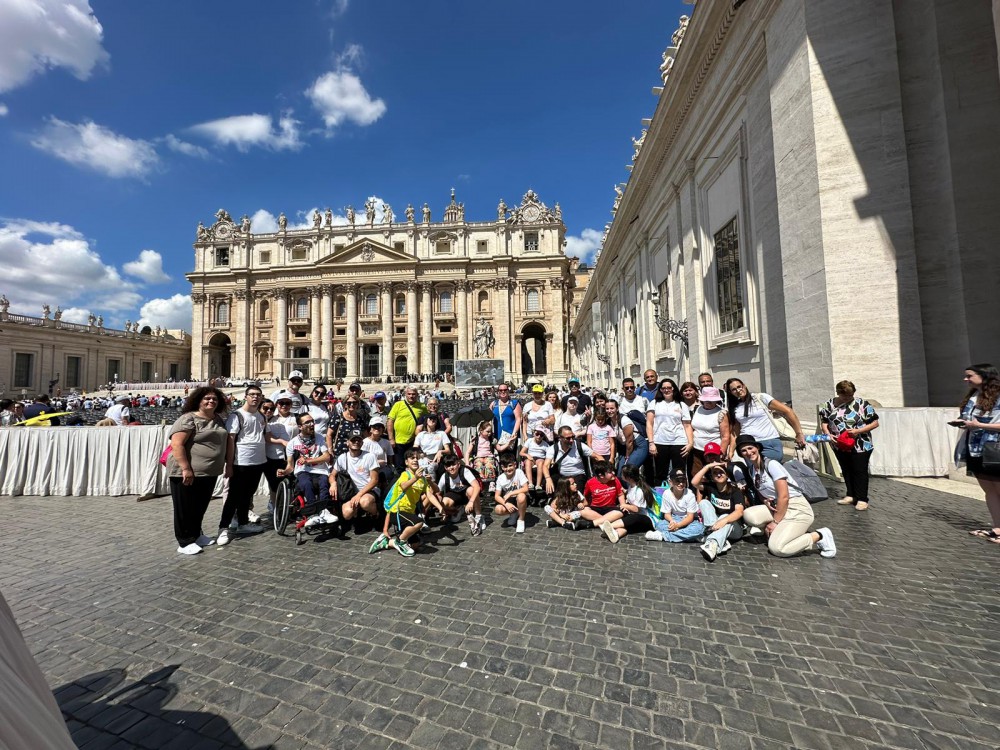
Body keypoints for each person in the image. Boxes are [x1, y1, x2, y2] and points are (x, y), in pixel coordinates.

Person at [735, 434, 837, 558]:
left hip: (797, 508)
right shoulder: (752, 470)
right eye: (743, 451)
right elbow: (762, 493)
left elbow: (784, 496)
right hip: (778, 507)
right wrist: (766, 501)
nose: (748, 452)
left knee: (778, 548)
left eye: (750, 448)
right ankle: (778, 531)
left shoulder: (771, 464)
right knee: (749, 515)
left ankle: (819, 535)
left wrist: (775, 522)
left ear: (757, 447)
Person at [165, 386, 229, 555]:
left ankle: (196, 534)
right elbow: (176, 444)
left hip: (209, 471)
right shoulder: (188, 418)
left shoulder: (218, 419)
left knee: (200, 505)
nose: (211, 401)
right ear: (198, 401)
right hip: (186, 471)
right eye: (207, 398)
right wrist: (186, 468)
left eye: (214, 399)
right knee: (184, 507)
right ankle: (184, 542)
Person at [954, 364, 1000, 543]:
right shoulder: (974, 396)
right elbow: (970, 419)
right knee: (989, 491)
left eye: (969, 376)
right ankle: (997, 528)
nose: (966, 379)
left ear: (985, 376)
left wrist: (979, 425)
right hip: (975, 448)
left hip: (994, 448)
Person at [216, 385, 267, 546]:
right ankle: (223, 527)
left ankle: (243, 523)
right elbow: (231, 441)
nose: (255, 397)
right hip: (241, 461)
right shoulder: (236, 416)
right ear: (246, 396)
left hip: (258, 461)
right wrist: (229, 464)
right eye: (252, 394)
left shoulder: (261, 415)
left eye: (258, 395)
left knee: (248, 494)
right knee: (233, 496)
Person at [819, 380, 880, 511]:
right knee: (846, 469)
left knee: (859, 470)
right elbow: (824, 421)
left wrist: (858, 431)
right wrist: (828, 434)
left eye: (850, 395)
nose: (848, 398)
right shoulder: (829, 404)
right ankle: (851, 495)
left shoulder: (862, 404)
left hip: (861, 444)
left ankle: (862, 498)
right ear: (838, 393)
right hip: (839, 444)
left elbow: (875, 423)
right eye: (845, 396)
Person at [369, 450, 435, 557]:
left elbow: (432, 494)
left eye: (417, 458)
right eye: (412, 458)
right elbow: (391, 506)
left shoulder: (421, 480)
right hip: (398, 513)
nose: (415, 460)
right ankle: (400, 541)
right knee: (418, 523)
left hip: (409, 515)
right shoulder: (404, 476)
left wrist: (441, 508)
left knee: (415, 545)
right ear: (406, 462)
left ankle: (387, 543)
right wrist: (385, 529)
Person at [279, 413, 338, 528]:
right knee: (305, 483)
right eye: (307, 422)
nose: (311, 424)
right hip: (303, 471)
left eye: (312, 421)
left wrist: (308, 461)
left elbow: (327, 457)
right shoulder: (292, 443)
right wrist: (284, 472)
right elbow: (290, 466)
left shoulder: (319, 438)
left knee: (323, 483)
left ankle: (323, 511)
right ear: (300, 426)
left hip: (320, 471)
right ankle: (312, 513)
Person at [725, 378, 806, 461]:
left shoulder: (760, 398)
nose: (738, 390)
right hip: (748, 445)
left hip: (769, 441)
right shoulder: (734, 407)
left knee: (773, 470)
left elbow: (788, 411)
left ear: (744, 386)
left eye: (739, 387)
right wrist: (731, 451)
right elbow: (736, 432)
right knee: (755, 472)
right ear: (731, 393)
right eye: (734, 389)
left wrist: (799, 433)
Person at [692, 458, 746, 562]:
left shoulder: (735, 491)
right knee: (703, 502)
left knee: (724, 516)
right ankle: (718, 539)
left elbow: (739, 512)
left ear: (727, 475)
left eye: (721, 472)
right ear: (711, 476)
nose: (718, 475)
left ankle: (712, 544)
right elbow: (694, 482)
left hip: (734, 528)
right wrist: (707, 467)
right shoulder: (711, 487)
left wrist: (724, 520)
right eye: (715, 473)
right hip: (716, 524)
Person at [646, 378, 693, 484]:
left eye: (669, 388)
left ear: (673, 389)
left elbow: (687, 425)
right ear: (660, 390)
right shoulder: (654, 403)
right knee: (660, 473)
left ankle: (680, 497)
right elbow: (649, 423)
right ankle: (660, 497)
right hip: (660, 442)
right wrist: (651, 443)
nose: (666, 390)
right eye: (663, 388)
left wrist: (690, 443)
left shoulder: (681, 404)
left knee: (679, 472)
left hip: (679, 442)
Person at [331, 429, 381, 526]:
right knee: (346, 513)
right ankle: (357, 513)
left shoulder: (370, 456)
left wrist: (359, 495)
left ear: (362, 442)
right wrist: (333, 483)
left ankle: (375, 513)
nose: (356, 442)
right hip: (351, 491)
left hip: (368, 490)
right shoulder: (342, 457)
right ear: (347, 442)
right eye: (353, 440)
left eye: (359, 440)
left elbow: (374, 480)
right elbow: (332, 474)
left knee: (365, 502)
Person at [596, 464, 656, 543]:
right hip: (635, 516)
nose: (620, 475)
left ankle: (608, 526)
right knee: (628, 526)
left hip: (647, 518)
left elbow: (637, 509)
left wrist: (625, 505)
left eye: (622, 474)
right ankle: (616, 534)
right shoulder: (631, 486)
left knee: (632, 518)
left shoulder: (639, 491)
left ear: (628, 478)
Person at [260, 398, 297, 518]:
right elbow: (268, 437)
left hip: (284, 455)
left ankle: (285, 508)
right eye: (265, 408)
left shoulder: (289, 419)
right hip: (266, 456)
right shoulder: (264, 419)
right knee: (273, 484)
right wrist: (281, 441)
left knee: (285, 483)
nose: (268, 410)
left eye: (271, 408)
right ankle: (276, 508)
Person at [644, 469, 705, 543]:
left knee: (699, 528)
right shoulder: (667, 493)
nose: (681, 484)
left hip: (688, 521)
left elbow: (690, 517)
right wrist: (672, 521)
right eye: (677, 481)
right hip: (674, 519)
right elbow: (667, 514)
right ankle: (692, 537)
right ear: (671, 482)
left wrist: (678, 526)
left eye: (683, 481)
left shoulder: (689, 494)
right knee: (659, 525)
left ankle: (663, 536)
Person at [689, 386, 730, 476]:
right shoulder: (698, 409)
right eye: (706, 399)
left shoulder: (721, 413)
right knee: (697, 476)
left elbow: (725, 436)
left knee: (715, 476)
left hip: (714, 452)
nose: (708, 401)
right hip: (697, 450)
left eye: (711, 399)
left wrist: (721, 454)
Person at [543, 425, 594, 495]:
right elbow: (545, 465)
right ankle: (551, 498)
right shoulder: (553, 448)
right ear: (560, 438)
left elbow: (597, 457)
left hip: (578, 475)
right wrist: (548, 478)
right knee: (547, 482)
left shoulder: (579, 445)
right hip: (563, 476)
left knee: (577, 495)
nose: (571, 440)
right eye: (568, 438)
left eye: (573, 437)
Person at [437, 454, 482, 533]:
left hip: (467, 495)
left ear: (458, 464)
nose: (451, 468)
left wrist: (471, 502)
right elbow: (438, 493)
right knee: (443, 503)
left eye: (453, 464)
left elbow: (477, 487)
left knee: (472, 490)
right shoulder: (444, 476)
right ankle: (457, 510)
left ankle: (479, 516)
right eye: (448, 466)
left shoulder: (465, 471)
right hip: (455, 496)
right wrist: (441, 506)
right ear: (445, 468)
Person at [387, 386, 427, 469]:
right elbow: (390, 421)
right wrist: (391, 438)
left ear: (417, 395)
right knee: (399, 465)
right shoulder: (398, 404)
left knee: (413, 465)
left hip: (413, 442)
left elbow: (427, 420)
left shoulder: (422, 406)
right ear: (405, 394)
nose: (411, 396)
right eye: (409, 394)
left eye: (413, 394)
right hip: (398, 441)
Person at [579, 461, 625, 528]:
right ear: (601, 475)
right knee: (583, 511)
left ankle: (599, 522)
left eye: (613, 471)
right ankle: (608, 522)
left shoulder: (615, 480)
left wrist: (623, 505)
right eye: (610, 472)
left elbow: (620, 494)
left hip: (611, 509)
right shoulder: (590, 482)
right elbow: (586, 497)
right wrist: (583, 504)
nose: (613, 473)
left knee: (621, 512)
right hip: (596, 508)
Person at [493, 453, 530, 533]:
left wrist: (510, 493)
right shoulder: (500, 478)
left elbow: (526, 488)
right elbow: (497, 496)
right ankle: (514, 513)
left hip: (520, 499)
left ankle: (521, 519)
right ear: (502, 467)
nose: (508, 469)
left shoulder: (519, 472)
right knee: (498, 509)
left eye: (510, 465)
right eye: (505, 467)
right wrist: (506, 504)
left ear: (515, 465)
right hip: (509, 501)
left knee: (521, 496)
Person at [491, 383, 522, 453]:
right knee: (500, 458)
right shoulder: (494, 404)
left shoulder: (514, 403)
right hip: (497, 434)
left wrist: (514, 433)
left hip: (510, 434)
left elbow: (518, 419)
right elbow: (489, 418)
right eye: (500, 390)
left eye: (505, 390)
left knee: (510, 457)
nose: (503, 392)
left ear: (508, 391)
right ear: (498, 392)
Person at [468, 420, 498, 491]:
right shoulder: (475, 440)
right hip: (478, 457)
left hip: (489, 456)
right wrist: (467, 463)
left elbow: (499, 448)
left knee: (489, 464)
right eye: (487, 431)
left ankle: (491, 482)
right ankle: (479, 482)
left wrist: (509, 442)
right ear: (481, 430)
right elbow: (468, 452)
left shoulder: (491, 439)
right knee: (478, 464)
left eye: (490, 431)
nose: (489, 433)